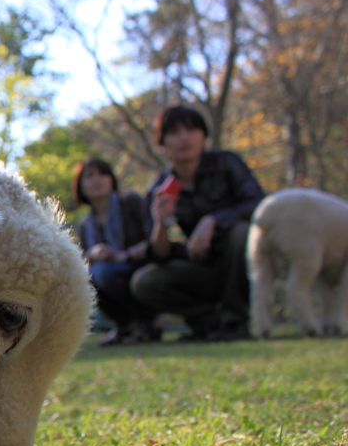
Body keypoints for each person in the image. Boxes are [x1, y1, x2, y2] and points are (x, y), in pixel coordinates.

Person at [130, 106, 265, 341]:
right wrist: (161, 223)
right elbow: (159, 255)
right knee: (145, 281)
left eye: (191, 129)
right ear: (162, 143)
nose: (184, 137)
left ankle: (235, 321)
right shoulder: (159, 189)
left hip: (243, 262)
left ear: (203, 135)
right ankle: (209, 324)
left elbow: (259, 204)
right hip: (203, 269)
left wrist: (213, 220)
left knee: (240, 233)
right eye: (174, 132)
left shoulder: (226, 163)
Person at [73, 157, 156, 346]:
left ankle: (147, 322)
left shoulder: (131, 202)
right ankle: (126, 325)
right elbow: (82, 259)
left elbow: (152, 239)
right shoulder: (85, 224)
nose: (97, 180)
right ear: (80, 186)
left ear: (112, 179)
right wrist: (94, 255)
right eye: (89, 176)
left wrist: (122, 255)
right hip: (106, 275)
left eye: (103, 174)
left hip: (139, 267)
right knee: (85, 276)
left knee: (101, 273)